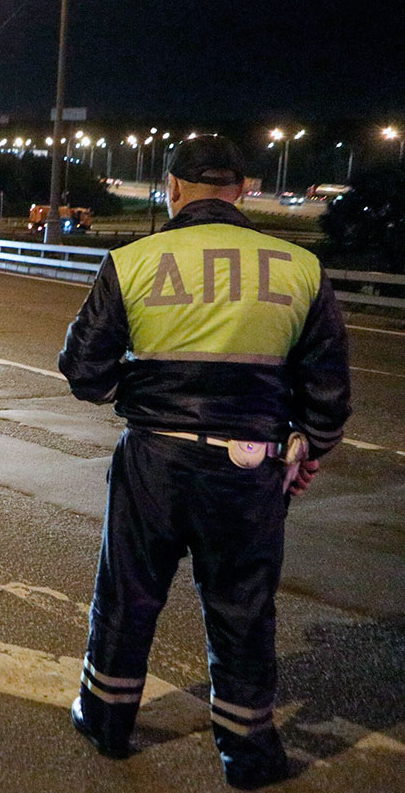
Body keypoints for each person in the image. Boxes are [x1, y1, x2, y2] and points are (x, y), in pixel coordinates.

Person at [58, 135, 351, 789]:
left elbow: (83, 371)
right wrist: (306, 447)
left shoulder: (133, 261)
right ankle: (249, 754)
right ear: (243, 190)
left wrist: (137, 394)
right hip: (249, 466)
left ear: (173, 189)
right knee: (243, 606)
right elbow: (329, 393)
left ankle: (106, 720)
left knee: (128, 595)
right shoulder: (299, 267)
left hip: (154, 460)